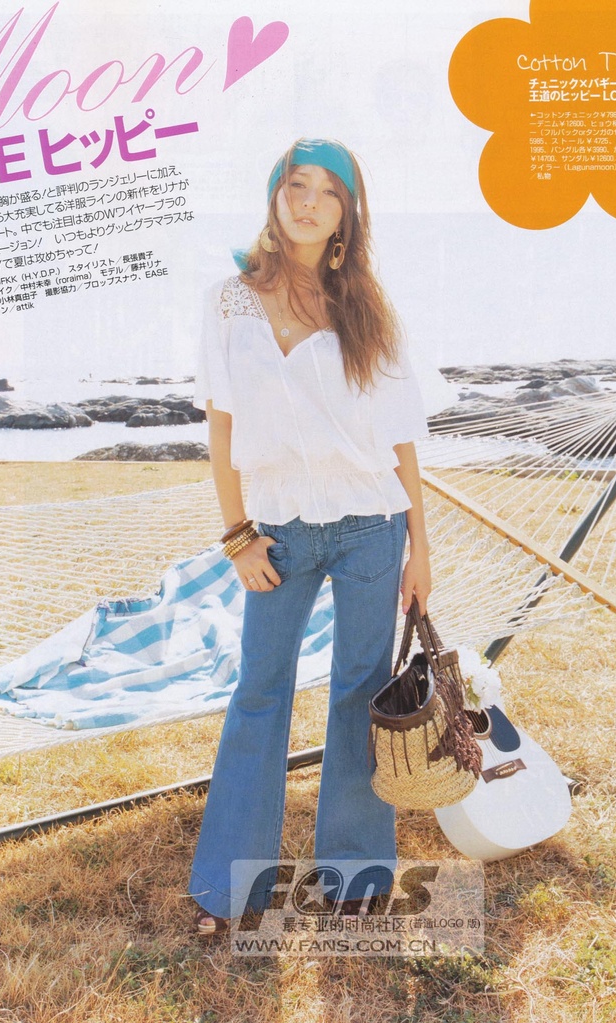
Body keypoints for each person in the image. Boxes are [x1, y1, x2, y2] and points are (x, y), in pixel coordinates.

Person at [189, 138, 431, 935]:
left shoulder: (368, 305)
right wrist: (238, 535)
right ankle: (232, 887)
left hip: (370, 526)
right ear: (274, 195)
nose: (309, 202)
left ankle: (355, 876)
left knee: (360, 692)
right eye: (297, 185)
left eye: (329, 192)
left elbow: (400, 437)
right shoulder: (229, 302)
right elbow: (221, 428)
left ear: (346, 215)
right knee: (260, 691)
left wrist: (420, 548)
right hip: (280, 533)